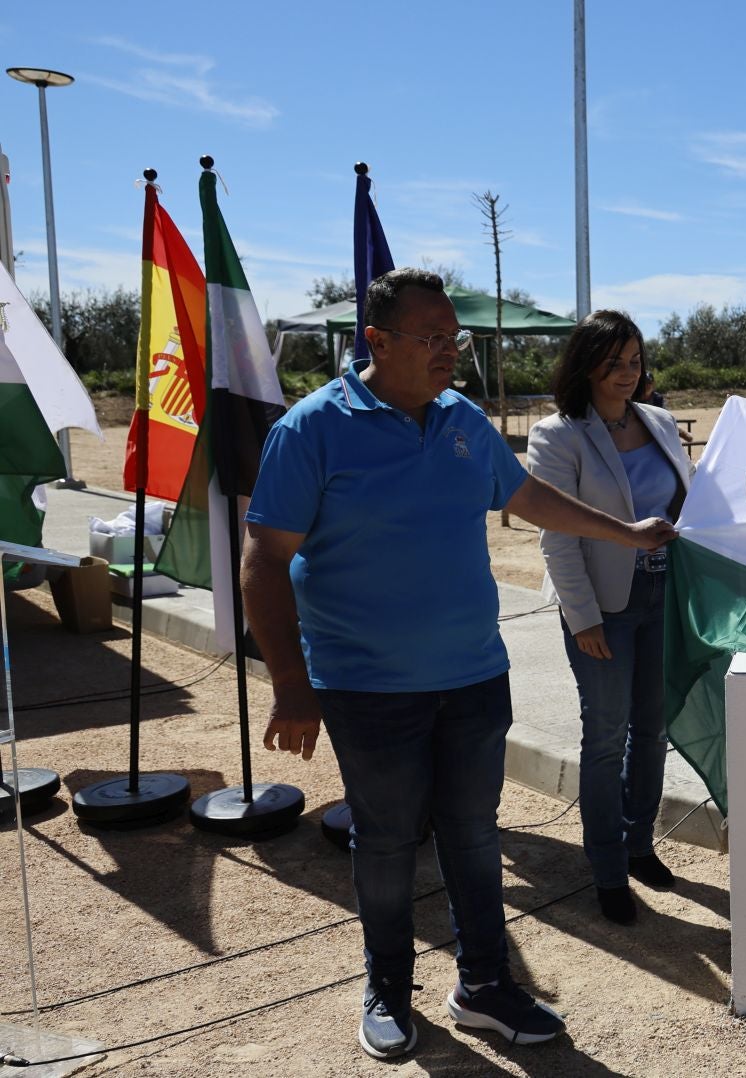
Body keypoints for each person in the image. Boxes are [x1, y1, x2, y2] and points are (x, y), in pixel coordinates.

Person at [242, 269, 677, 1060]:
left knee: (475, 836)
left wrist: (627, 533)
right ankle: (387, 989)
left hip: (474, 676)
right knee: (385, 842)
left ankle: (484, 987)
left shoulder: (463, 420)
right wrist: (289, 684)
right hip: (368, 686)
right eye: (432, 339)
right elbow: (265, 560)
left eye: (456, 339)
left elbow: (529, 498)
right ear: (375, 341)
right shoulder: (312, 429)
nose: (450, 353)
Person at [527, 311, 693, 924]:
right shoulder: (558, 434)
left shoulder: (662, 422)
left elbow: (688, 503)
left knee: (652, 731)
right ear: (586, 365)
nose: (627, 374)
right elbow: (557, 536)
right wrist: (584, 618)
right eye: (613, 362)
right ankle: (605, 869)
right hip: (604, 608)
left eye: (634, 361)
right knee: (605, 738)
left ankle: (637, 843)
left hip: (664, 597)